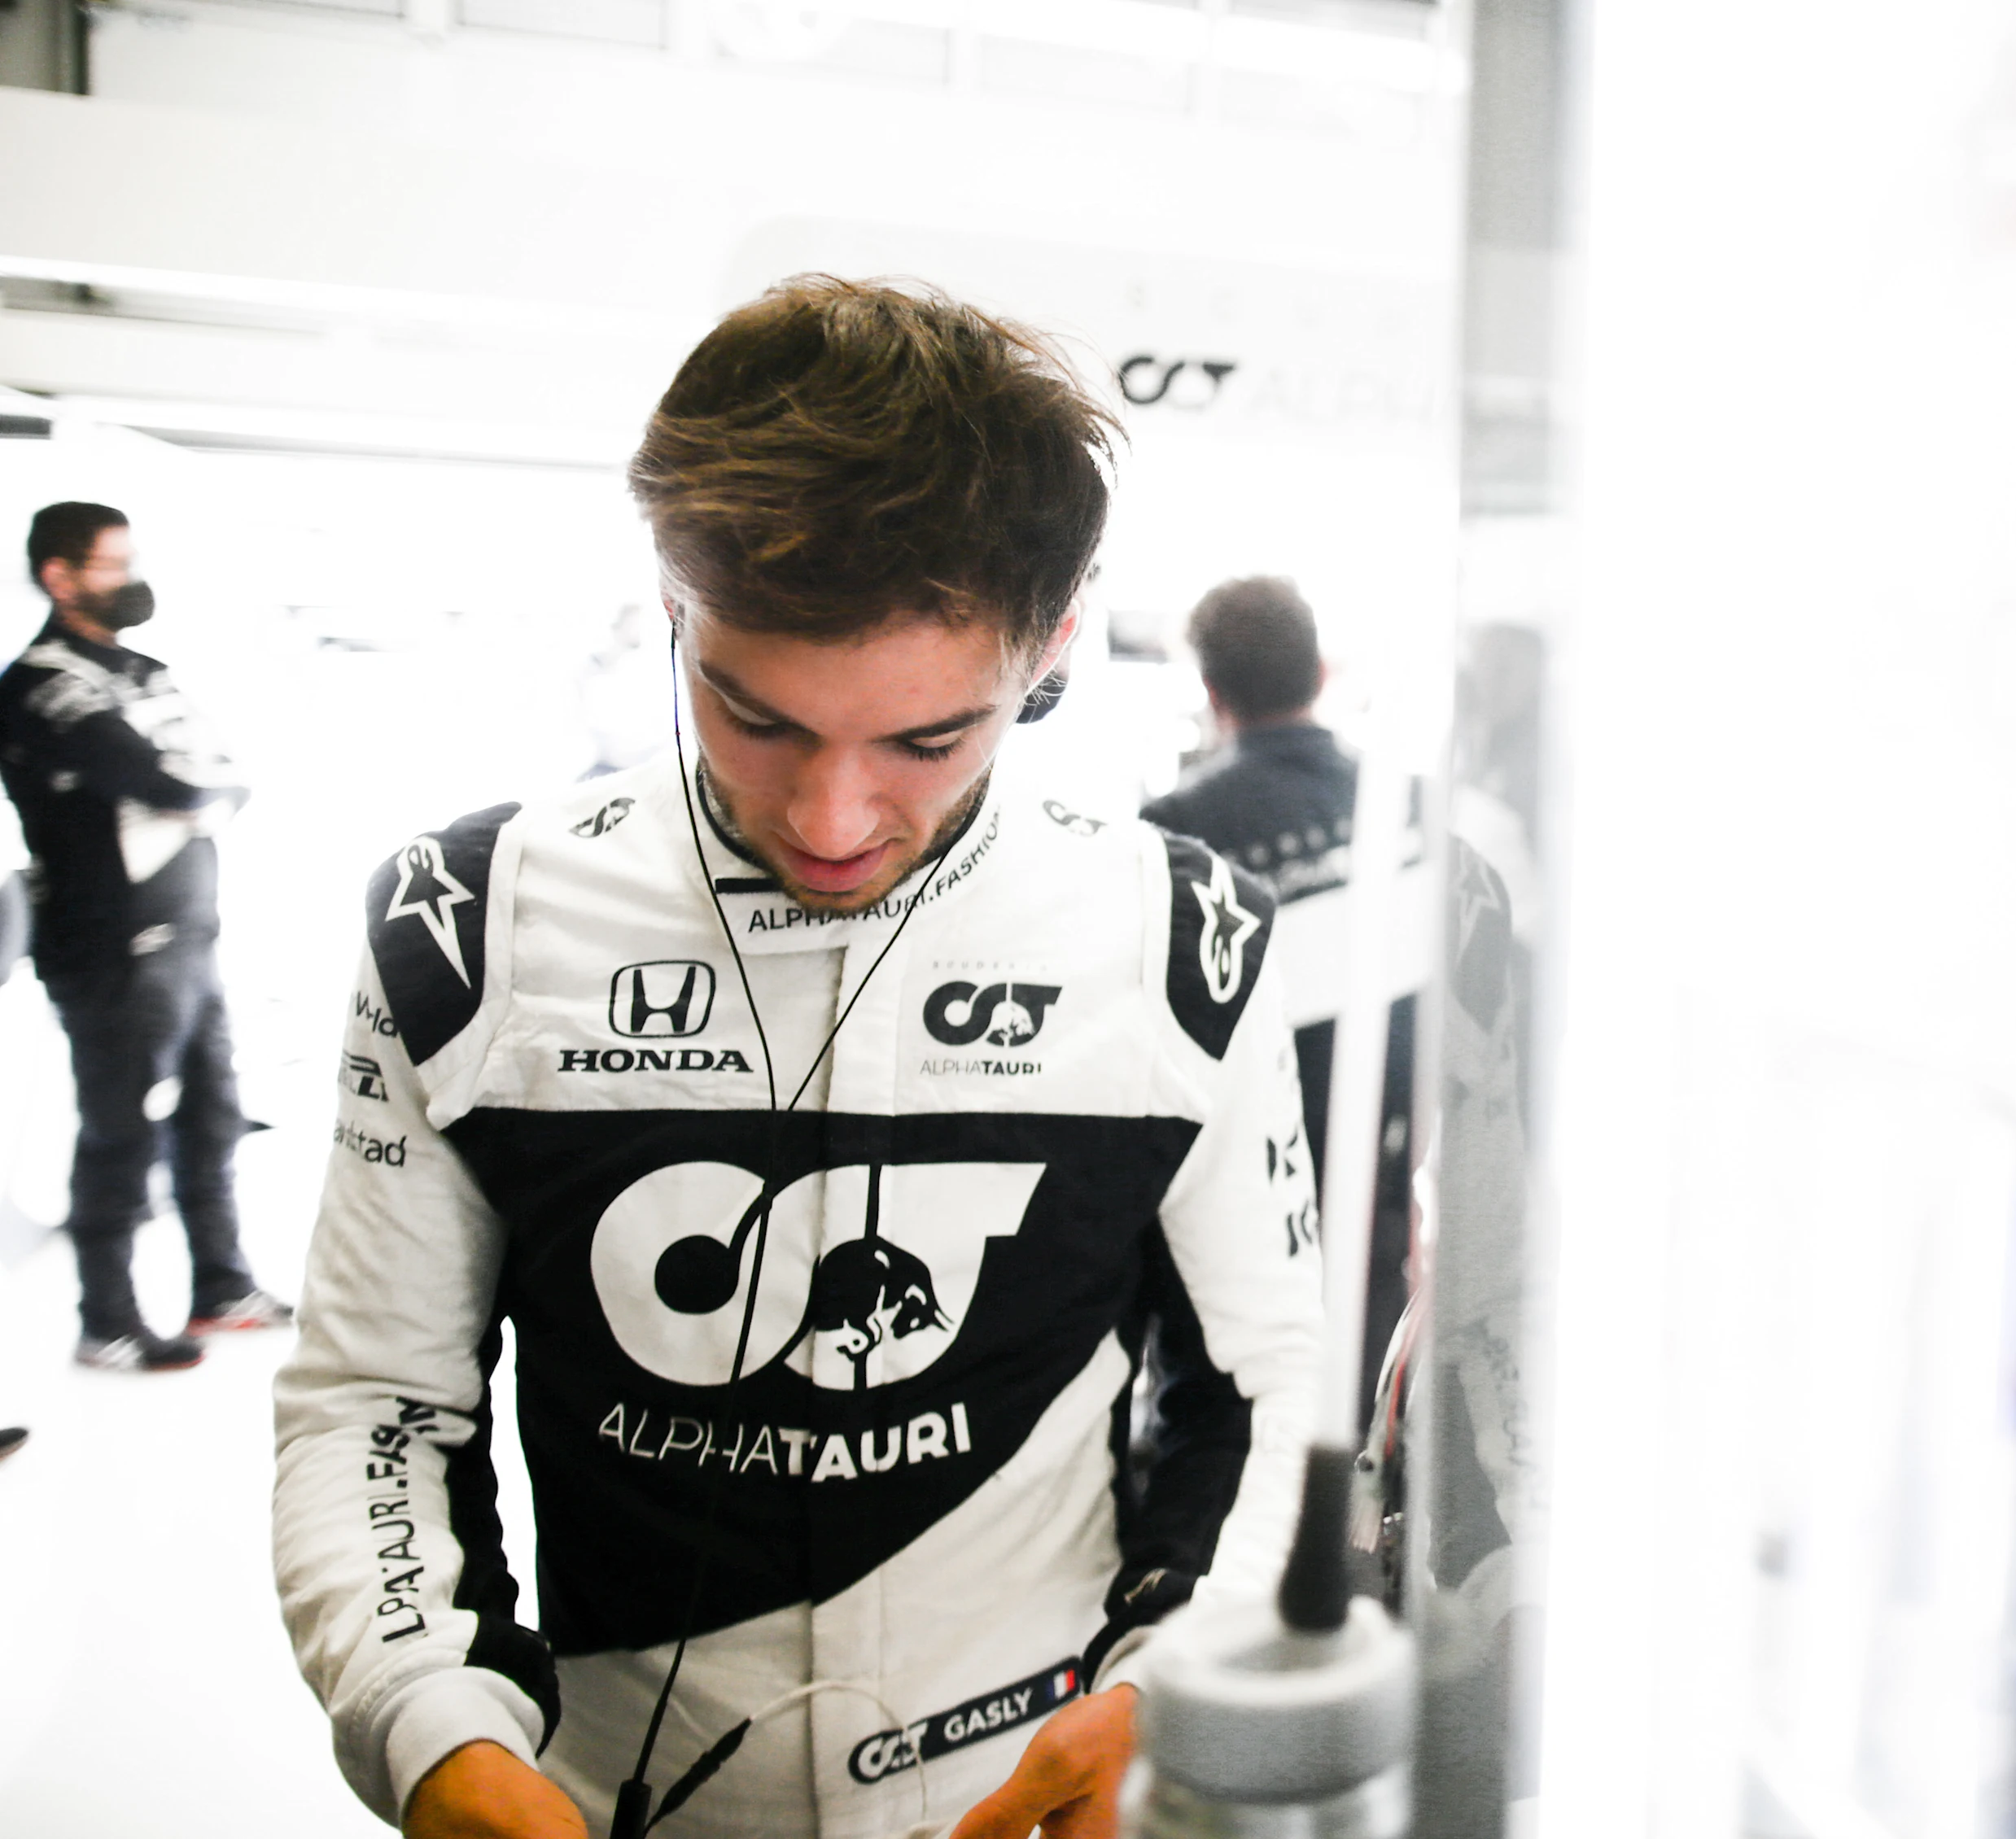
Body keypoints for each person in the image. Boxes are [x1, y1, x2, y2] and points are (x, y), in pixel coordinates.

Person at [271, 278, 1323, 1839]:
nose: (833, 823)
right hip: (600, 1791)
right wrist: (432, 1733)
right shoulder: (470, 919)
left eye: (927, 740)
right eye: (751, 716)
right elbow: (375, 1400)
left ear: (1055, 643)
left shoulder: (1187, 935)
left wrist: (1174, 1681)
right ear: (672, 603)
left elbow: (1270, 1374)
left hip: (1037, 1791)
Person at [0, 502, 291, 1372]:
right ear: (59, 576)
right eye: (111, 564)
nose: (131, 579)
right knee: (119, 1131)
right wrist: (192, 791)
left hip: (191, 936)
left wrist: (196, 790)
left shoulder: (145, 671)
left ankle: (220, 1286)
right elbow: (159, 776)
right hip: (109, 945)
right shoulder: (39, 683)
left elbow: (224, 773)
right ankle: (108, 1319)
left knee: (213, 1116)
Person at [1143, 578, 1417, 1417]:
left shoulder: (1172, 833)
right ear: (1319, 671)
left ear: (1213, 692)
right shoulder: (1407, 802)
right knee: (1364, 1412)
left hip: (1248, 1191)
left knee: (1235, 1423)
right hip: (1391, 1174)